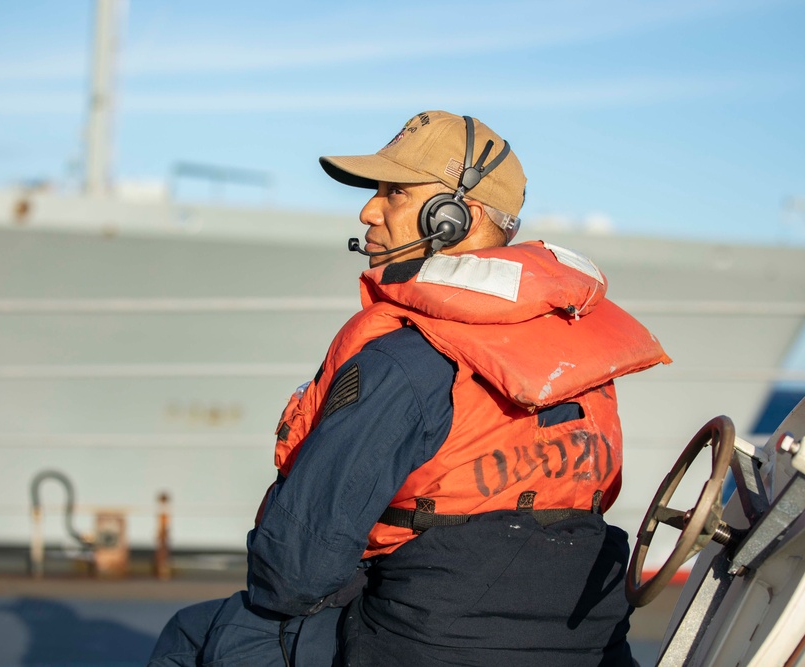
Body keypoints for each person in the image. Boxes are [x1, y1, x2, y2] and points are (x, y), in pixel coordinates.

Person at [148, 110, 670, 667]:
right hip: (583, 645)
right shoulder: (583, 362)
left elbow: (293, 574)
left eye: (393, 193)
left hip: (426, 644)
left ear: (451, 218)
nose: (368, 210)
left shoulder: (405, 360)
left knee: (195, 635)